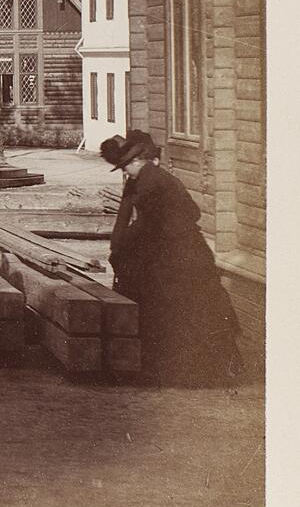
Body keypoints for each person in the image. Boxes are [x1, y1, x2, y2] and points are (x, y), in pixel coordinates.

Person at [101, 130, 243, 386]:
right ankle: (198, 370)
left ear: (138, 161)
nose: (125, 173)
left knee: (187, 308)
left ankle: (199, 372)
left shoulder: (151, 182)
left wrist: (122, 247)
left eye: (126, 167)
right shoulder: (150, 178)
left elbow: (147, 224)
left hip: (184, 254)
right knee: (189, 306)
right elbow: (187, 213)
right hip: (182, 250)